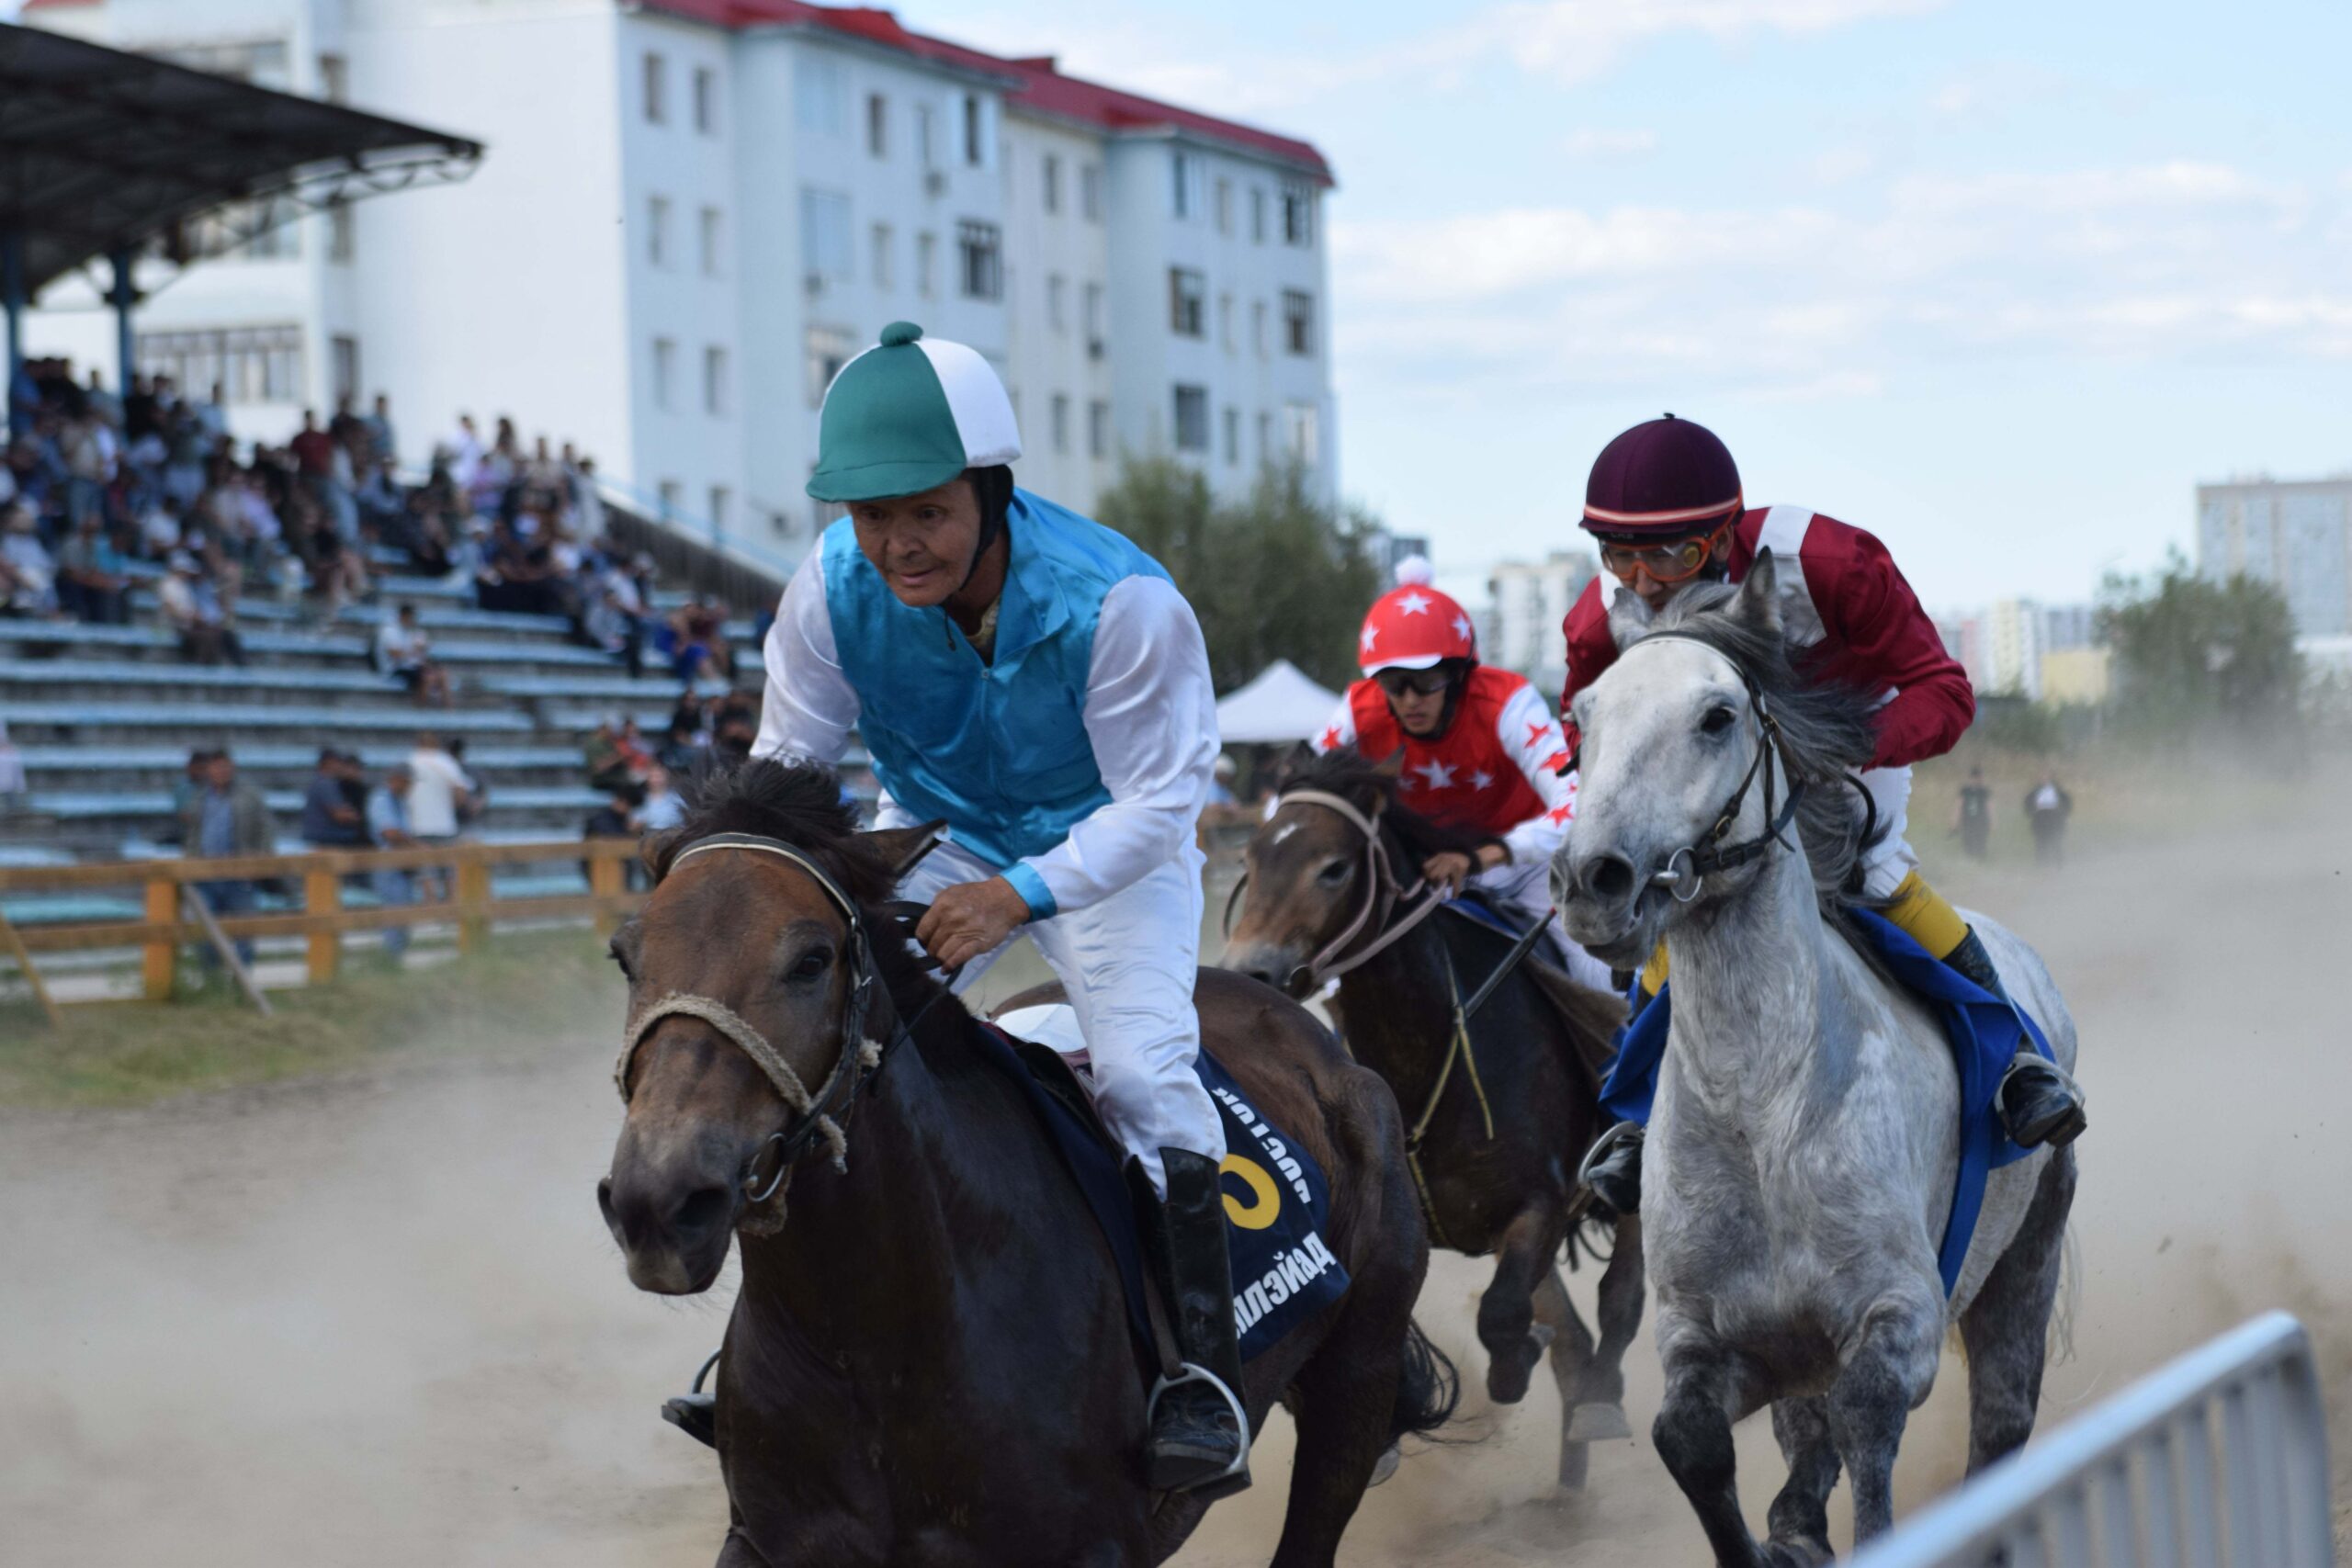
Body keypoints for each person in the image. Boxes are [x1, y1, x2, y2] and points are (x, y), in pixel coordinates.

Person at [747, 321, 1243, 1493]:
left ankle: (1203, 1376)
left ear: (990, 490)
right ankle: (781, 1353)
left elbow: (1161, 803)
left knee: (1142, 1078)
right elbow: (788, 767)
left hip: (1107, 850)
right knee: (818, 1041)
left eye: (927, 511)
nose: (897, 544)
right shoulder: (827, 590)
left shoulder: (1121, 601)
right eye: (873, 516)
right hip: (937, 834)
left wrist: (1016, 896)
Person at [1559, 414, 2086, 1216]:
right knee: (1677, 894)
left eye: (1670, 555)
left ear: (1723, 535)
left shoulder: (1831, 562)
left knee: (1874, 872)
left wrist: (1841, 747)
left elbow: (1945, 691)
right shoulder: (1601, 614)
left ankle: (2017, 1061)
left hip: (1845, 745)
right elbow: (1586, 720)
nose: (1644, 582)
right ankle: (1637, 1117)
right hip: (1715, 767)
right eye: (1618, 554)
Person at [1312, 557, 1614, 992]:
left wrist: (1484, 857)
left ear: (1457, 675)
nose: (1410, 699)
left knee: (1597, 972)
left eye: (1427, 680)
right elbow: (1297, 797)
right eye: (1394, 683)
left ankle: (1625, 1038)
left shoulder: (1509, 703)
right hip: (1425, 878)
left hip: (1529, 869)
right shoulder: (1358, 709)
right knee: (1339, 982)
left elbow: (1579, 803)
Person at [178, 747, 275, 973]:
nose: (221, 771)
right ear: (209, 770)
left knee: (244, 934)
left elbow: (266, 829)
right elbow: (192, 834)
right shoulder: (200, 797)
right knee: (205, 933)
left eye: (225, 766)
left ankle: (243, 982)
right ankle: (213, 982)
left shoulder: (249, 795)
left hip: (239, 876)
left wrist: (260, 862)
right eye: (216, 767)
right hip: (206, 876)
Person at [366, 764, 419, 961]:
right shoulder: (381, 800)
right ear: (398, 779)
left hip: (401, 863)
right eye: (408, 782)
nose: (410, 787)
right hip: (387, 863)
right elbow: (389, 833)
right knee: (393, 910)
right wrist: (416, 846)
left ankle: (397, 955)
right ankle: (390, 956)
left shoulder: (400, 802)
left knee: (403, 909)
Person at [375, 603, 451, 706]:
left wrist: (423, 654)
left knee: (442, 674)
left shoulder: (410, 631)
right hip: (394, 668)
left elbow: (417, 654)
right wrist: (415, 650)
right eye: (411, 617)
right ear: (404, 616)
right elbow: (395, 655)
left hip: (410, 666)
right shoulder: (389, 631)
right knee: (427, 677)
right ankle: (420, 707)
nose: (413, 620)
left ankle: (449, 709)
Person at [300, 750, 369, 848]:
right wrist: (359, 817)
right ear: (329, 763)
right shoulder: (325, 784)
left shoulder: (320, 782)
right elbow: (340, 816)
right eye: (338, 762)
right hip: (326, 837)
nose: (340, 766)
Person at [2025, 771, 2073, 865]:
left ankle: (2058, 863)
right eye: (2042, 776)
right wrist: (2031, 811)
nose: (2044, 778)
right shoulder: (2035, 791)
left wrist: (2064, 813)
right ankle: (2041, 864)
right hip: (2040, 817)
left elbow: (2066, 802)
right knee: (2041, 842)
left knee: (2056, 840)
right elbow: (2028, 803)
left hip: (2054, 817)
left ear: (2051, 777)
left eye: (2046, 776)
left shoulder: (2058, 791)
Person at [1958, 765, 1994, 861]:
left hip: (1982, 821)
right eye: (1976, 777)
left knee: (1981, 842)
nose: (1978, 780)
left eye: (1980, 777)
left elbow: (1989, 806)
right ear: (1971, 778)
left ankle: (1981, 861)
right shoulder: (1965, 790)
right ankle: (1969, 860)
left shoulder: (1985, 791)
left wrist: (1992, 821)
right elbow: (1959, 805)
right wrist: (1954, 820)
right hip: (1967, 820)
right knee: (1967, 841)